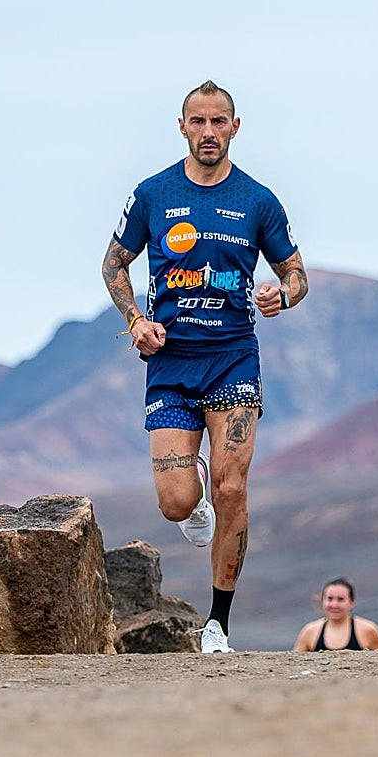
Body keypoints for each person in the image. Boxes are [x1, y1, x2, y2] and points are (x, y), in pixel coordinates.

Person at [101, 80, 307, 654]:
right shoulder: (152, 194)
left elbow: (297, 275)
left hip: (233, 356)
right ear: (183, 126)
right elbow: (113, 265)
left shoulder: (258, 200)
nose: (209, 132)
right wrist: (136, 320)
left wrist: (281, 296)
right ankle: (196, 493)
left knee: (234, 485)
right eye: (199, 122)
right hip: (170, 361)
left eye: (219, 122)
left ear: (234, 128)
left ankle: (218, 622)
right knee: (177, 502)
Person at [293, 578, 378, 651]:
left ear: (352, 602)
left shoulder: (368, 630)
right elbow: (294, 665)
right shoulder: (310, 631)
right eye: (330, 598)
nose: (334, 605)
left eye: (341, 599)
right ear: (322, 600)